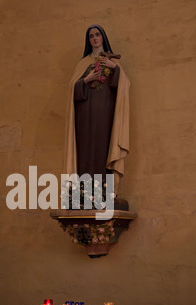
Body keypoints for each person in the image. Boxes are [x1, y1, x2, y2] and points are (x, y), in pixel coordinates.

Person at [63, 24, 130, 202]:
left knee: (102, 148)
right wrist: (87, 79)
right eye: (91, 36)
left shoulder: (113, 61)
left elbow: (123, 85)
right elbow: (72, 90)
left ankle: (105, 192)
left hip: (105, 115)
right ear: (88, 40)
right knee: (84, 150)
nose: (94, 38)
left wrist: (113, 68)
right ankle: (82, 192)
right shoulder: (83, 63)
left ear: (103, 37)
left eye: (97, 35)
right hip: (84, 116)